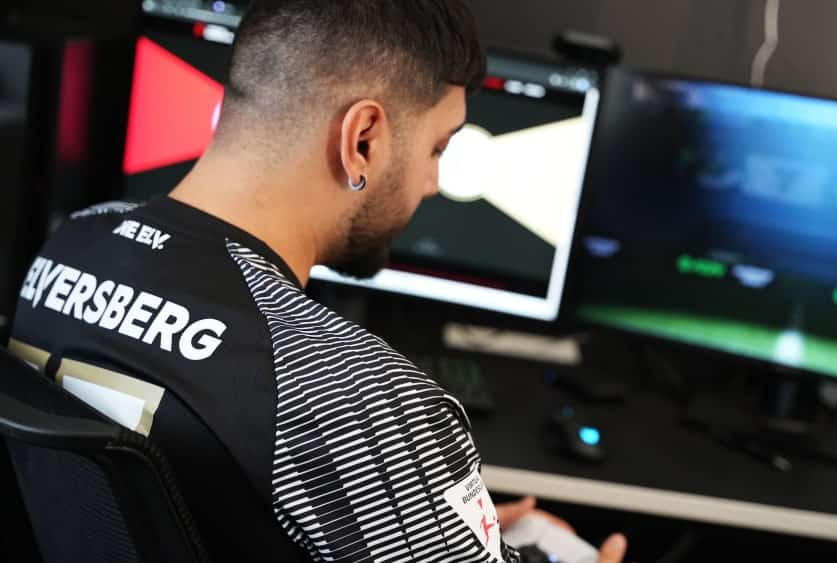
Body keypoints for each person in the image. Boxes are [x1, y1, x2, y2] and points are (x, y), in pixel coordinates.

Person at [8, 1, 627, 561]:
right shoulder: (359, 395)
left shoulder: (68, 247)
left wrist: (437, 521)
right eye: (438, 148)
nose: (433, 184)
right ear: (363, 140)